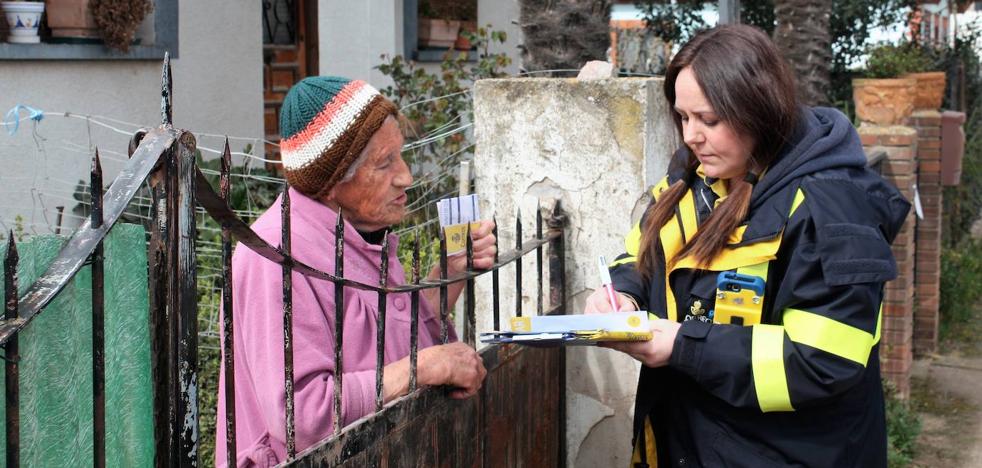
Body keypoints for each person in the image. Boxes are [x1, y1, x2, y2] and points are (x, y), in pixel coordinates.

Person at [585, 25, 911, 467]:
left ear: (758, 110)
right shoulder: (694, 174)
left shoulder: (830, 207)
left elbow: (822, 361)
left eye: (709, 120)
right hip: (691, 443)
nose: (690, 136)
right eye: (683, 117)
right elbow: (643, 255)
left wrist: (683, 345)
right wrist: (620, 294)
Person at [216, 76, 494, 467]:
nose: (406, 176)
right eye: (385, 163)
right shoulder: (275, 256)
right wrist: (422, 369)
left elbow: (392, 339)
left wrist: (450, 270)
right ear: (331, 181)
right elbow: (301, 416)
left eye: (401, 154)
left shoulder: (357, 234)